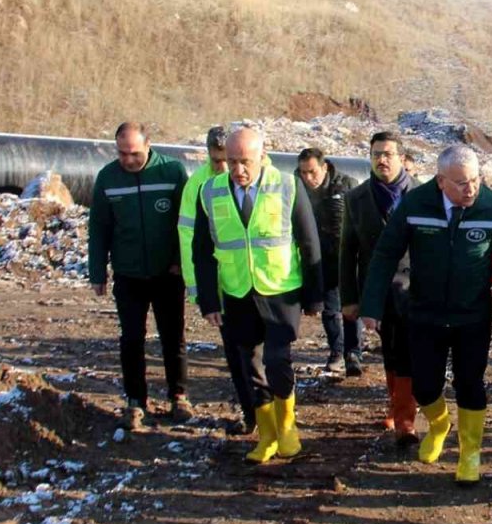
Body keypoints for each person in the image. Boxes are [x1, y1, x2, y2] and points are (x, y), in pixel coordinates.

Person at [359, 144, 492, 485]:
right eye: (461, 183)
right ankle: (439, 424)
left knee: (470, 384)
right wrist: (371, 305)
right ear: (440, 181)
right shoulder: (416, 204)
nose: (471, 189)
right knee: (425, 385)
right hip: (425, 313)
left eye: (475, 180)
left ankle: (470, 453)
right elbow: (386, 253)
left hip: (472, 316)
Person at [192, 126, 324, 463]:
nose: (238, 169)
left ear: (262, 157)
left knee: (277, 360)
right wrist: (208, 300)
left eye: (245, 162)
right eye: (232, 161)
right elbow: (202, 251)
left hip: (280, 289)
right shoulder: (210, 192)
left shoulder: (288, 185)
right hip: (237, 291)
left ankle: (287, 426)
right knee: (250, 364)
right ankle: (267, 434)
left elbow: (309, 242)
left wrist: (314, 295)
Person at [88, 122, 191, 431]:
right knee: (131, 339)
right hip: (128, 273)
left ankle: (179, 396)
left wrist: (180, 262)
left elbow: (186, 222)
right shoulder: (108, 178)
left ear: (148, 145)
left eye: (134, 153)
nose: (128, 160)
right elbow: (99, 227)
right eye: (122, 153)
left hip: (167, 273)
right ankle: (136, 401)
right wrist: (97, 271)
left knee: (173, 336)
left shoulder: (171, 172)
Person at [340, 131, 419, 444]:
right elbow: (348, 251)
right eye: (376, 154)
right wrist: (350, 298)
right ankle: (397, 407)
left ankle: (405, 420)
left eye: (388, 154)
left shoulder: (424, 194)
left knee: (409, 352)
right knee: (390, 352)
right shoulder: (356, 198)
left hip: (415, 289)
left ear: (402, 158)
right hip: (378, 290)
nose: (381, 160)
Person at [178, 126, 255, 434]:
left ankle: (275, 417)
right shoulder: (200, 186)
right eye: (217, 161)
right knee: (237, 356)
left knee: (267, 358)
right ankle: (252, 414)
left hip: (262, 287)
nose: (225, 167)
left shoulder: (265, 179)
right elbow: (190, 240)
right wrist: (200, 290)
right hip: (226, 290)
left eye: (230, 160)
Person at [297, 147, 361, 377]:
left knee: (351, 306)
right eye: (303, 173)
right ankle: (337, 352)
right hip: (319, 257)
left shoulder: (346, 185)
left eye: (312, 172)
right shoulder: (296, 187)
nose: (308, 178)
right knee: (329, 309)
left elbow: (359, 221)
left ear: (324, 168)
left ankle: (354, 353)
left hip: (346, 255)